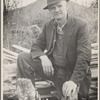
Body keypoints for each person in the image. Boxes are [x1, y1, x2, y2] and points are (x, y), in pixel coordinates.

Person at [17, 0, 91, 100]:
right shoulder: (49, 26)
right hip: (54, 70)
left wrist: (74, 81)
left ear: (66, 6)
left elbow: (84, 56)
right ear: (50, 10)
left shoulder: (81, 25)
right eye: (52, 8)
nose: (56, 10)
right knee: (22, 58)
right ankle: (29, 95)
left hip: (72, 73)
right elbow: (36, 46)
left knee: (70, 96)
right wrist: (43, 57)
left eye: (59, 6)